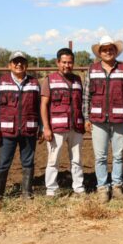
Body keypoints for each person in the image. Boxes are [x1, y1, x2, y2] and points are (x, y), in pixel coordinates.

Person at [83, 36, 123, 203]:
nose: (108, 52)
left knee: (119, 155)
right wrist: (86, 117)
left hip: (119, 119)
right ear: (100, 52)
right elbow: (86, 96)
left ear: (115, 51)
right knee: (100, 156)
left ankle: (117, 186)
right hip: (98, 121)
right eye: (104, 49)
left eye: (111, 49)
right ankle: (102, 188)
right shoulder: (92, 70)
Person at [0, 51, 41, 204]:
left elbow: (39, 108)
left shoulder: (34, 83)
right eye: (15, 62)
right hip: (7, 131)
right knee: (3, 163)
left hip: (29, 130)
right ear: (9, 65)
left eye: (22, 62)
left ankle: (27, 194)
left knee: (28, 162)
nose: (19, 64)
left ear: (26, 65)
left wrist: (42, 128)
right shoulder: (1, 81)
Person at [41, 48, 85, 197]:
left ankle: (78, 188)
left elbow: (82, 104)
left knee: (77, 159)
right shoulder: (49, 80)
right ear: (58, 62)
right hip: (57, 128)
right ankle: (51, 190)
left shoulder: (78, 80)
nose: (67, 65)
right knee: (53, 160)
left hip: (76, 127)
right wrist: (46, 127)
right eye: (64, 62)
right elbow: (43, 105)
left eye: (70, 62)